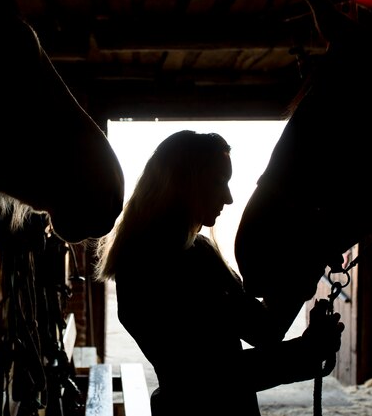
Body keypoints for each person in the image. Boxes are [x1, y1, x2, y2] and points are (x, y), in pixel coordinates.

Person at [95, 130, 344, 415]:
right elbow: (213, 376)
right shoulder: (188, 259)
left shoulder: (140, 257)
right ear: (184, 185)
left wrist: (305, 271)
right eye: (218, 182)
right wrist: (308, 351)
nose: (228, 197)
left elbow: (261, 331)